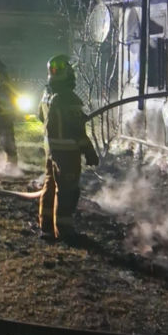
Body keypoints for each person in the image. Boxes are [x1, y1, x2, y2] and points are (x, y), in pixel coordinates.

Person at [38, 54, 99, 241]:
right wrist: (89, 151)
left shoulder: (46, 94)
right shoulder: (68, 98)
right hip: (67, 153)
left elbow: (41, 117)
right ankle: (64, 232)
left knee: (50, 186)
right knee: (67, 191)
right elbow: (77, 132)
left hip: (51, 151)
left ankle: (46, 226)